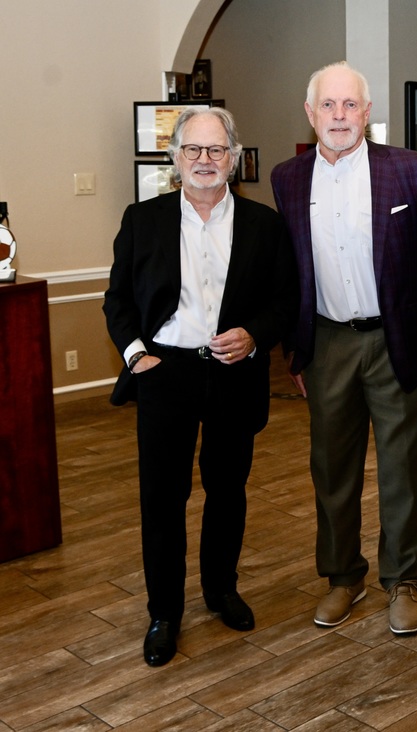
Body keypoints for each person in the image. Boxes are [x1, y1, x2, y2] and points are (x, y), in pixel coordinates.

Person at [104, 107, 298, 666]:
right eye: (194, 150)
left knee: (228, 490)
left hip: (234, 373)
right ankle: (164, 612)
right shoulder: (143, 220)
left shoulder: (265, 226)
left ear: (234, 159)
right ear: (175, 159)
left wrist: (255, 336)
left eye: (217, 151)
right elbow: (118, 301)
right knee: (163, 499)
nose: (205, 161)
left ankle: (221, 590)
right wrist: (137, 355)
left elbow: (285, 301)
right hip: (164, 374)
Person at [270, 62, 417, 635]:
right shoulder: (287, 178)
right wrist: (295, 349)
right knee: (332, 470)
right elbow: (288, 273)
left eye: (350, 106)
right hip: (325, 343)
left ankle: (403, 580)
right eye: (329, 106)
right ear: (310, 113)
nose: (340, 116)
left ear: (367, 113)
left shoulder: (409, 170)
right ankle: (342, 576)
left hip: (395, 340)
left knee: (402, 469)